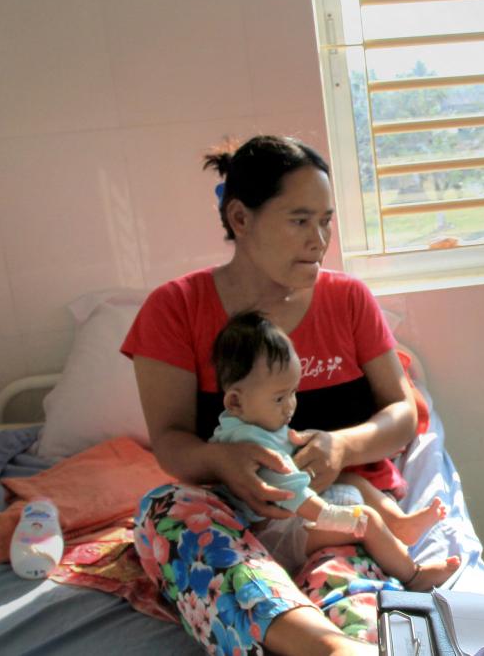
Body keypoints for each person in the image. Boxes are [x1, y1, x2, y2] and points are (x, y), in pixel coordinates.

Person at [124, 135, 422, 655]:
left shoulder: (349, 300)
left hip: (335, 513)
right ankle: (323, 647)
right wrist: (222, 460)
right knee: (167, 512)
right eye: (300, 220)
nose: (320, 239)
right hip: (234, 515)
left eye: (326, 220)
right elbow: (170, 442)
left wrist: (343, 447)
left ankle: (344, 640)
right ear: (240, 219)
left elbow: (403, 415)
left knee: (351, 571)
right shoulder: (175, 309)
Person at [207, 310, 458, 591]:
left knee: (350, 480)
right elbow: (296, 496)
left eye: (293, 393)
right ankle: (414, 575)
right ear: (235, 402)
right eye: (279, 398)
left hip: (284, 519)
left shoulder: (242, 422)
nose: (290, 406)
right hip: (272, 538)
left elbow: (287, 455)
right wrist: (337, 516)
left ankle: (400, 524)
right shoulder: (252, 446)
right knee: (366, 520)